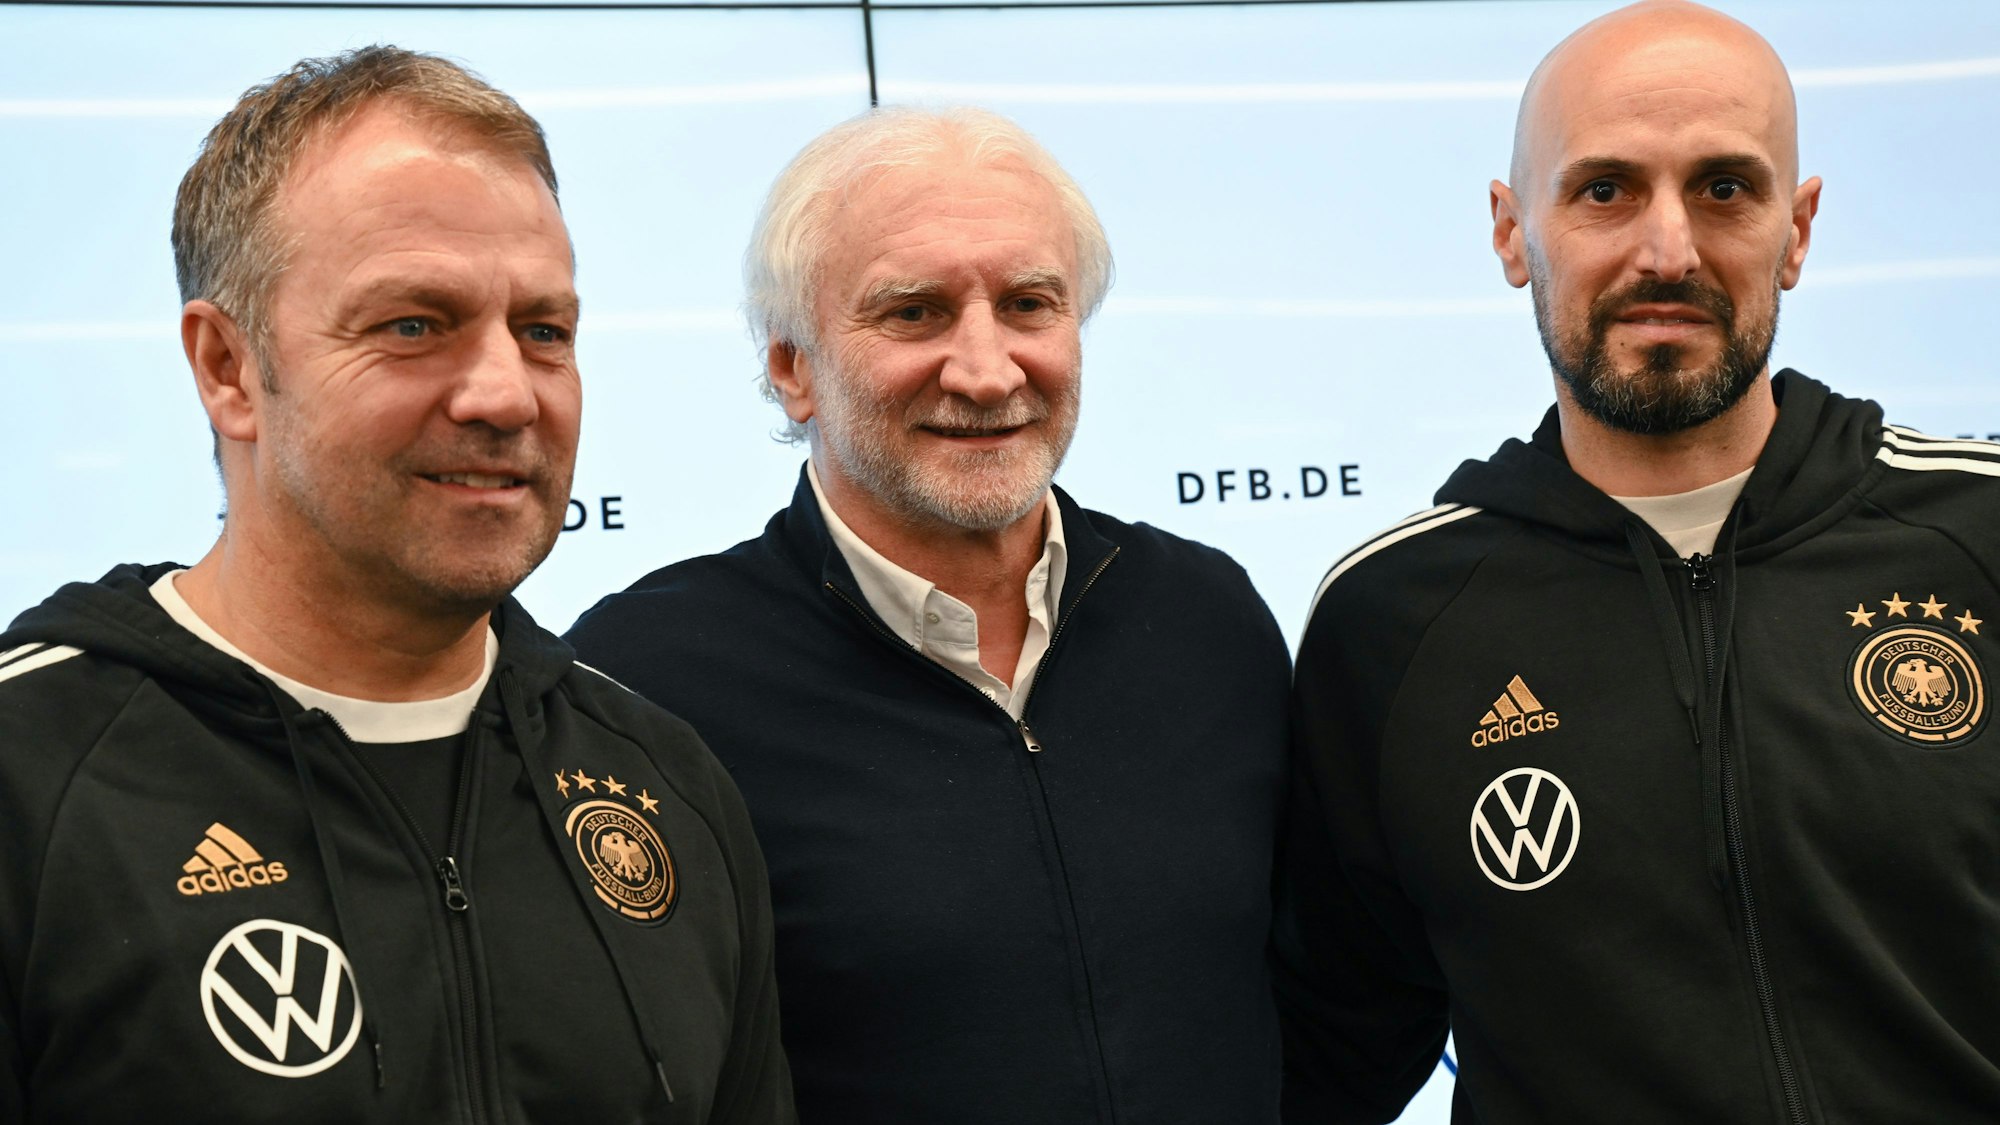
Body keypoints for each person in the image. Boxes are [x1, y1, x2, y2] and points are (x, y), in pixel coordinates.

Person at [0, 47, 792, 1124]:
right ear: (228, 369)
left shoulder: (665, 784)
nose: (505, 395)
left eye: (543, 331)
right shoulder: (31, 780)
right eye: (413, 325)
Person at [1277, 2, 2000, 1122]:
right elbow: (1326, 1061)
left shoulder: (1977, 533)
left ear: (1797, 230)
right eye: (1605, 190)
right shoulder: (1389, 620)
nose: (1667, 252)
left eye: (1725, 187)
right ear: (1511, 231)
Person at [566, 106, 1291, 1123]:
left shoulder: (1206, 618)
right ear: (791, 365)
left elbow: (1332, 1002)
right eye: (913, 313)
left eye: (1029, 304)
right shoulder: (642, 683)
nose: (987, 370)